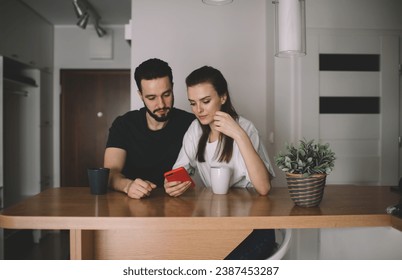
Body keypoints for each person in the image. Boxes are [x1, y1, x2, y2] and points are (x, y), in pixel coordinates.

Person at [164, 65, 277, 259]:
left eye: (205, 101)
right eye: (193, 103)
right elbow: (179, 171)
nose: (198, 110)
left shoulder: (246, 128)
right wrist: (173, 184)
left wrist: (239, 135)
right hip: (215, 224)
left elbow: (264, 187)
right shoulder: (195, 130)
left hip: (253, 227)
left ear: (223, 97)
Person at [104, 58, 195, 199]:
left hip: (179, 208)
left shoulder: (191, 124)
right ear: (141, 95)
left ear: (172, 87)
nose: (161, 104)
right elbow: (110, 173)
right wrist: (127, 186)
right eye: (152, 98)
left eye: (166, 94)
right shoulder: (124, 125)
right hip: (132, 208)